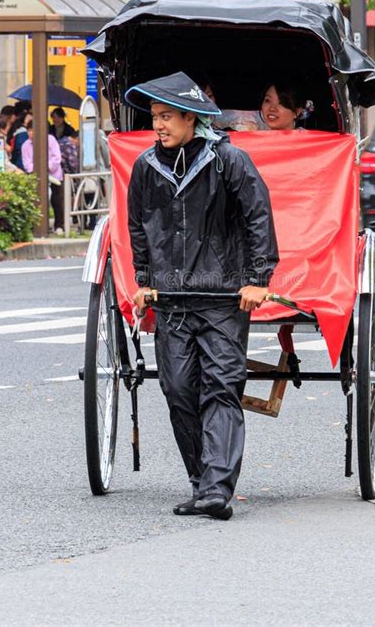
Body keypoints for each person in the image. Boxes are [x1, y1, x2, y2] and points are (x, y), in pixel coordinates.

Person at [126, 72, 279, 520]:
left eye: (167, 116)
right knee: (177, 390)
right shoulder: (145, 167)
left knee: (221, 388)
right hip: (171, 298)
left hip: (223, 296)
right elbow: (139, 226)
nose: (159, 125)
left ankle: (217, 489)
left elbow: (258, 216)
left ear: (192, 118)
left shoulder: (228, 161)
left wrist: (258, 277)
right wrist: (142, 279)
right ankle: (201, 482)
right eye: (155, 117)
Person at [21, 120, 65, 234]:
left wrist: (44, 167)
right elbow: (27, 164)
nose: (31, 133)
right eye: (29, 130)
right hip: (35, 177)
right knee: (35, 201)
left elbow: (56, 158)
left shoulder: (51, 140)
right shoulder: (25, 145)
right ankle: (37, 226)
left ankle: (59, 226)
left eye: (33, 130)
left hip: (54, 175)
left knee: (57, 202)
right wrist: (38, 170)